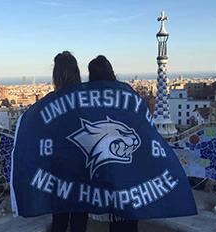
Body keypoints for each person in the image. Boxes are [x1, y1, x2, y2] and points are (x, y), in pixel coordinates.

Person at [88, 55, 139, 232]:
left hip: (106, 166)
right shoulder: (127, 92)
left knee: (115, 215)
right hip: (129, 162)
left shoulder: (90, 98)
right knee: (129, 215)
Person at [50, 51, 88, 232]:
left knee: (59, 219)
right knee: (80, 219)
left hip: (60, 171)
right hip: (84, 168)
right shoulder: (87, 100)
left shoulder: (51, 104)